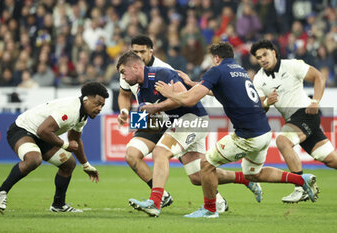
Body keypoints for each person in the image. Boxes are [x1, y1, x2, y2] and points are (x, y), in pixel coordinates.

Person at [155, 42, 319, 218]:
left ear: (216, 58)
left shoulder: (216, 70)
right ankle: (302, 179)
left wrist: (169, 93)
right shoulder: (239, 71)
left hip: (247, 135)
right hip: (264, 131)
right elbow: (217, 89)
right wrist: (192, 82)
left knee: (206, 164)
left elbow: (189, 100)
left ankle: (210, 209)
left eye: (212, 59)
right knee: (254, 174)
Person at [117, 51, 263, 218]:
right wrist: (134, 121)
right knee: (197, 176)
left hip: (193, 119)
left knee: (160, 152)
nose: (122, 77)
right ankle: (244, 178)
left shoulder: (162, 73)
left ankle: (155, 202)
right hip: (177, 124)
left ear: (135, 67)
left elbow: (183, 97)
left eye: (123, 72)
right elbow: (152, 120)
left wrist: (156, 109)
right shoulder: (141, 91)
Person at [0, 82, 109, 213]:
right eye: (97, 103)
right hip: (23, 129)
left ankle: (58, 205)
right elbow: (43, 130)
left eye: (102, 105)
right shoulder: (70, 109)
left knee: (68, 164)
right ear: (86, 99)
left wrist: (85, 165)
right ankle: (2, 191)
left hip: (43, 135)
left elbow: (75, 139)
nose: (99, 108)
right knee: (33, 159)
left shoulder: (82, 116)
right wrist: (65, 145)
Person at [250, 39, 337, 203]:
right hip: (294, 119)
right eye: (259, 57)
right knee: (330, 159)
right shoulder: (258, 79)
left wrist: (315, 101)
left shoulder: (292, 65)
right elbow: (261, 107)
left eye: (265, 54)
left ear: (273, 53)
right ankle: (301, 185)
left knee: (283, 141)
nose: (262, 59)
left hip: (306, 113)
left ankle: (300, 187)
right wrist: (267, 102)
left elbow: (319, 77)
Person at [117, 35, 175, 209]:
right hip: (148, 118)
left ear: (151, 51)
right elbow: (124, 94)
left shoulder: (164, 69)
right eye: (135, 51)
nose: (139, 55)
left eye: (142, 51)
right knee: (131, 155)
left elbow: (179, 97)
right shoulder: (127, 69)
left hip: (171, 118)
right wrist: (124, 111)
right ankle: (161, 196)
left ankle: (217, 199)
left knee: (194, 169)